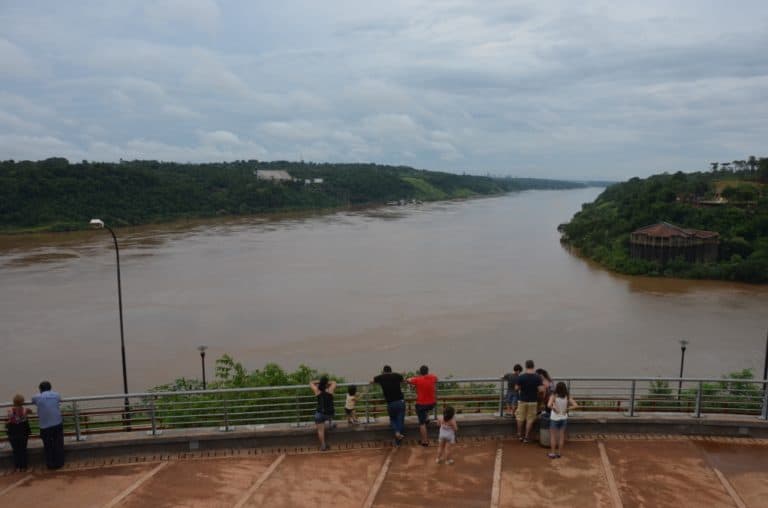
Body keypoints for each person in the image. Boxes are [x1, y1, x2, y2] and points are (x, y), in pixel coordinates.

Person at [32, 381, 64, 469]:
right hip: (57, 423)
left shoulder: (36, 397)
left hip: (44, 426)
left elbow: (33, 401)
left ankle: (50, 463)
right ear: (50, 388)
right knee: (58, 443)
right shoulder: (56, 395)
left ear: (40, 389)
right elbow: (60, 400)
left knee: (48, 445)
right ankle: (60, 462)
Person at [372, 365, 405, 446]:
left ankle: (397, 434)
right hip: (400, 401)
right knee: (400, 420)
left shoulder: (381, 377)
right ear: (391, 371)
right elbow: (402, 379)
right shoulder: (397, 375)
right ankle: (398, 437)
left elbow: (373, 379)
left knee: (393, 419)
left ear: (383, 371)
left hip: (390, 403)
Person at [407, 365, 438, 447]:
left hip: (422, 404)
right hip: (432, 403)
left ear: (420, 372)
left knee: (421, 423)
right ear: (427, 371)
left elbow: (408, 380)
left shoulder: (417, 379)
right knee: (426, 408)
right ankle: (427, 418)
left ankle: (424, 441)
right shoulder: (432, 377)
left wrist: (412, 379)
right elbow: (436, 378)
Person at [547, 382, 578, 459]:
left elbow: (548, 405)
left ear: (556, 388)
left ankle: (552, 453)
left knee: (553, 436)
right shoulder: (567, 396)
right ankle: (559, 453)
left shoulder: (553, 396)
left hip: (554, 418)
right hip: (563, 417)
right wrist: (566, 409)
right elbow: (576, 405)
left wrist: (554, 409)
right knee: (561, 436)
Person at [515, 360, 543, 443]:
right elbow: (541, 390)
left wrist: (521, 388)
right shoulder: (538, 377)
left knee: (520, 418)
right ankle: (526, 437)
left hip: (522, 400)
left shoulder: (521, 377)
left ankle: (519, 435)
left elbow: (516, 388)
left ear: (526, 366)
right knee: (530, 419)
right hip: (533, 401)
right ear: (533, 366)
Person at [6, 394, 33, 472]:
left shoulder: (9, 410)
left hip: (12, 431)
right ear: (23, 402)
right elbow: (31, 412)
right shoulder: (25, 410)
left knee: (15, 450)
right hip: (23, 431)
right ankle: (24, 466)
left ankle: (17, 467)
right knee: (23, 449)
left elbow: (10, 419)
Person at [309, 376, 337, 451]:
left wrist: (319, 382)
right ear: (326, 384)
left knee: (320, 430)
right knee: (330, 411)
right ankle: (330, 423)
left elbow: (311, 383)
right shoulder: (330, 390)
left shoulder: (317, 391)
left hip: (320, 414)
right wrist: (326, 382)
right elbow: (334, 382)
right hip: (329, 414)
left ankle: (323, 445)